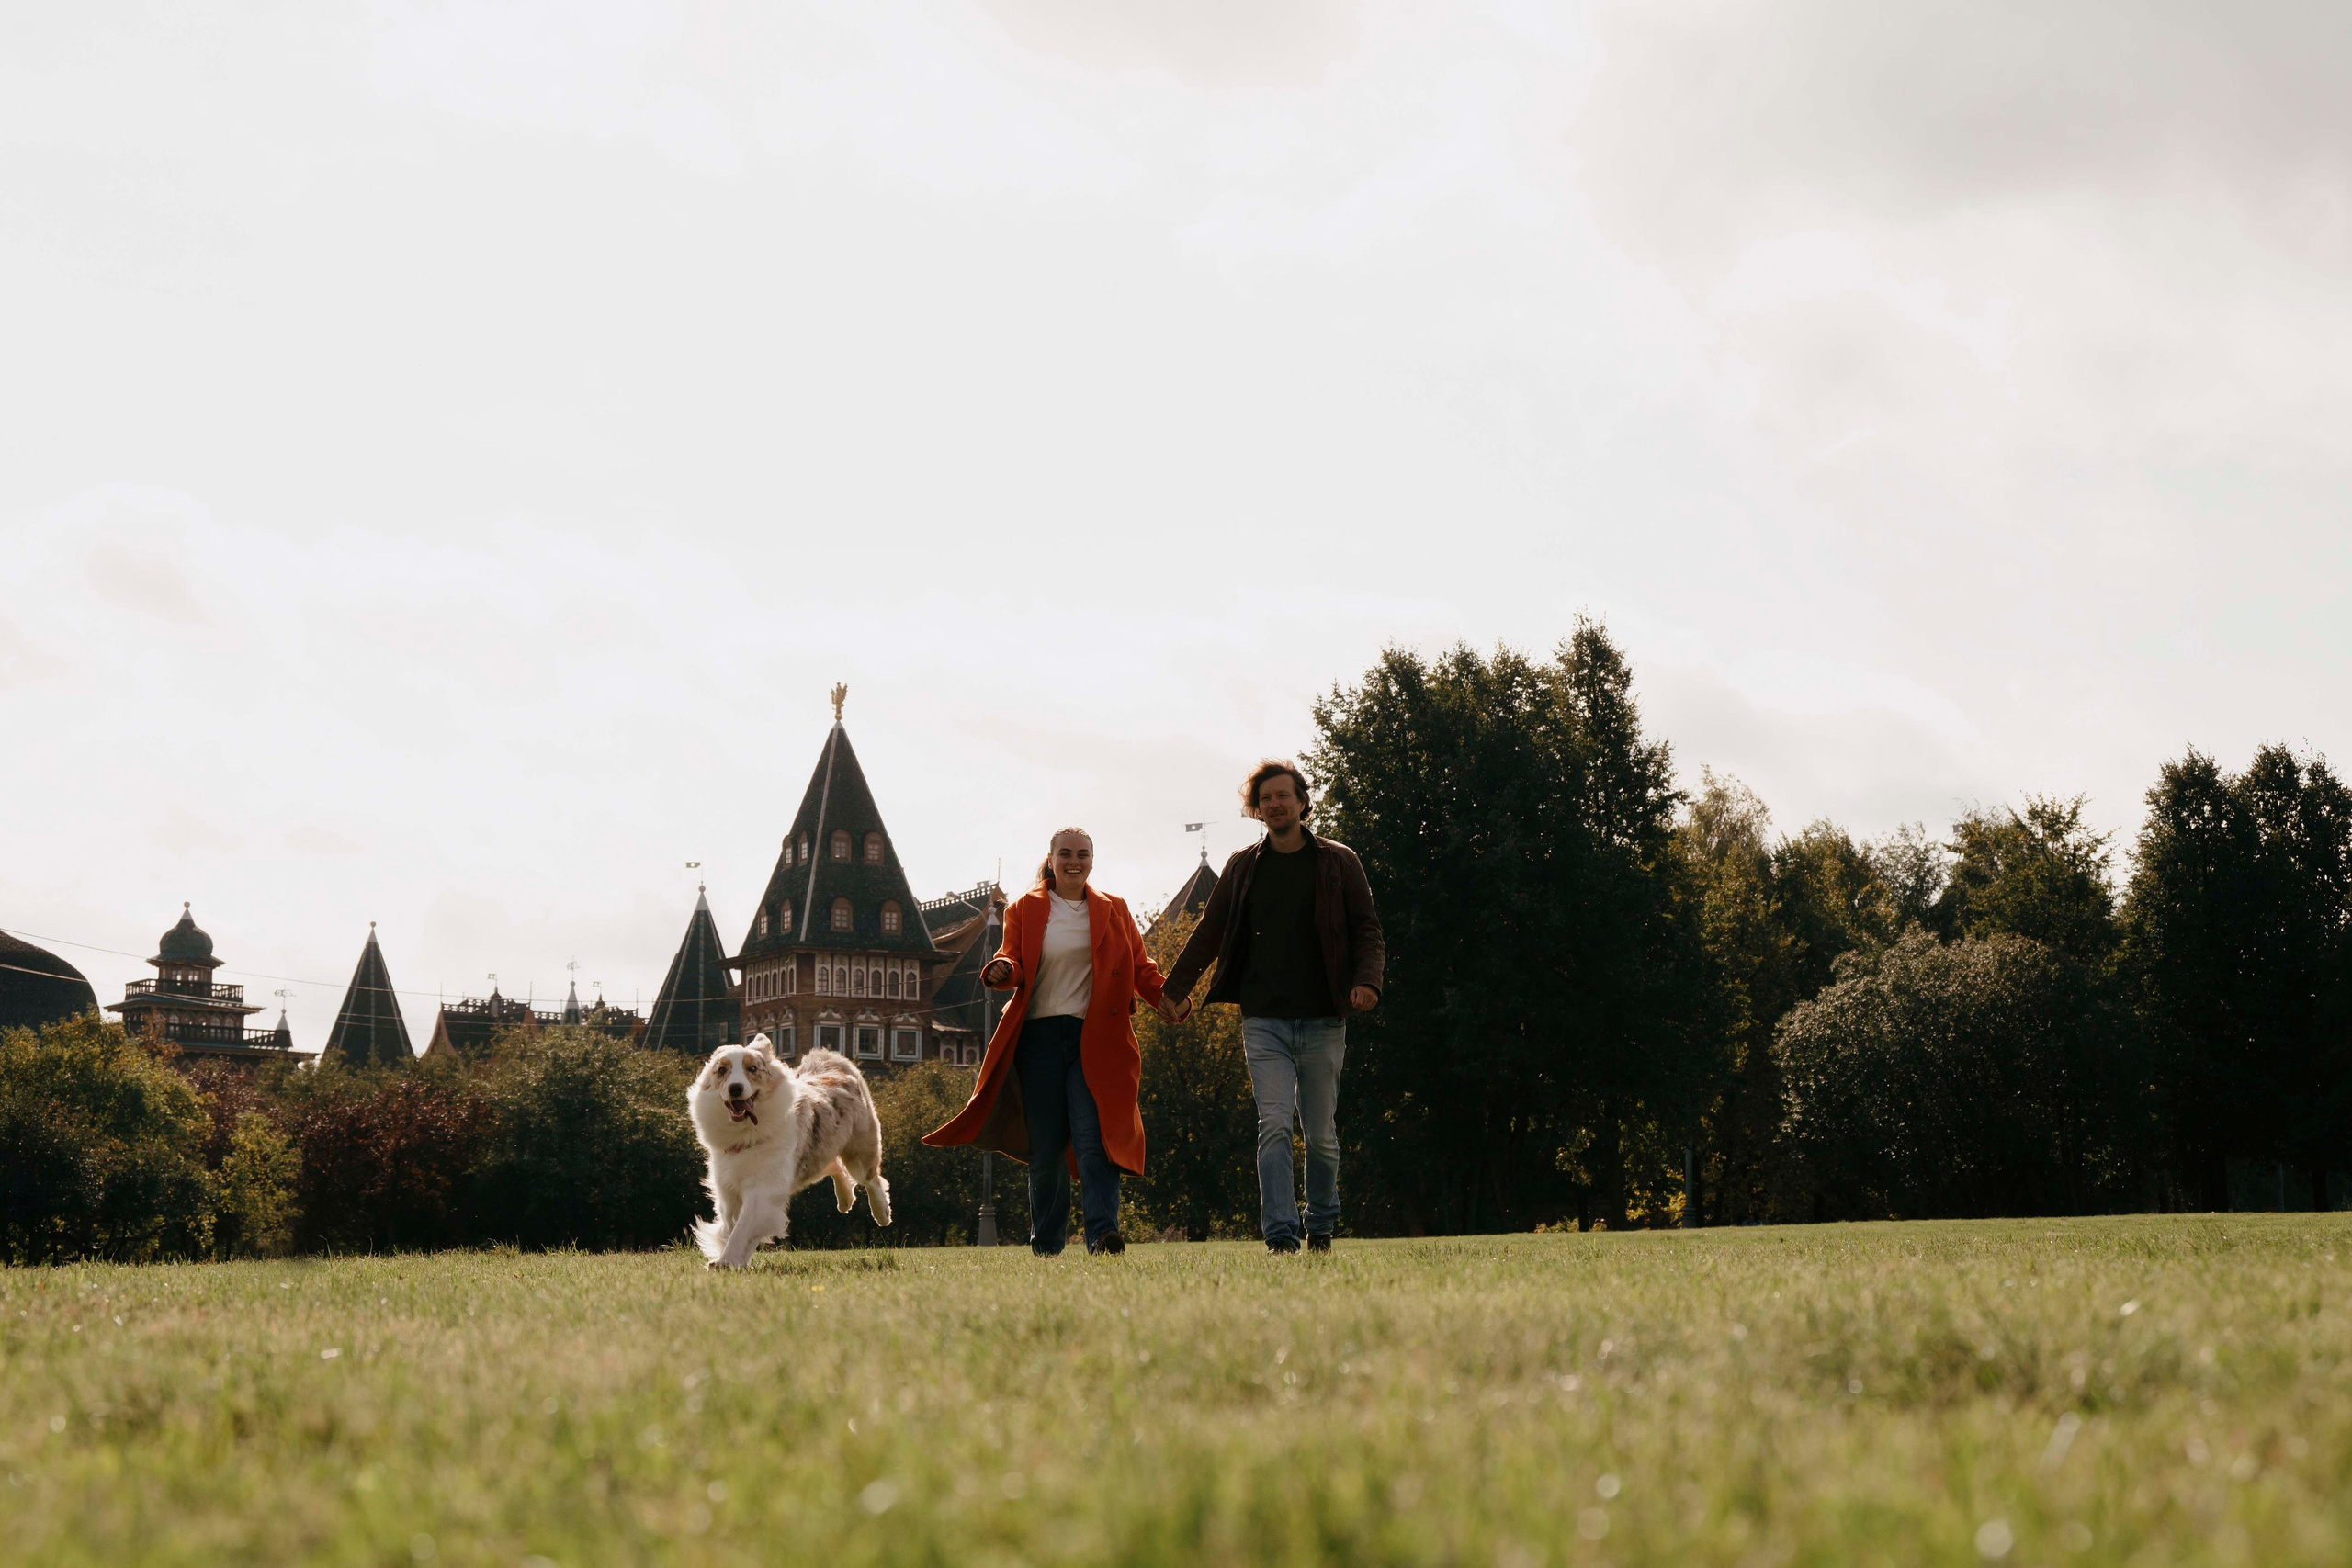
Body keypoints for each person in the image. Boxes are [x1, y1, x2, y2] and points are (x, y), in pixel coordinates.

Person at [924, 828, 1181, 1255]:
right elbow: (1013, 957)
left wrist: (1169, 998)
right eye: (1066, 854)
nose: (1074, 861)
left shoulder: (1114, 909)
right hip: (1039, 1039)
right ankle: (1046, 1243)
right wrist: (1002, 969)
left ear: (1092, 861)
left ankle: (1102, 1235)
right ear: (1052, 858)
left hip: (1096, 1039)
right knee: (1046, 1149)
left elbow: (1141, 967)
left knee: (1093, 1138)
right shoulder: (1026, 908)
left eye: (1082, 854)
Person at [1162, 761, 1384, 1255]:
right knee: (1275, 1125)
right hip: (1264, 1019)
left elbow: (1367, 928)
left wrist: (1367, 980)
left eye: (1284, 796)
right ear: (1257, 809)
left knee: (1321, 1136)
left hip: (1325, 1017)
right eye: (1266, 799)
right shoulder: (1244, 866)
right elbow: (1210, 931)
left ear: (1303, 802)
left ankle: (1321, 1223)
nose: (1276, 804)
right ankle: (1281, 1235)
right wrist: (1175, 988)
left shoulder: (1338, 861)